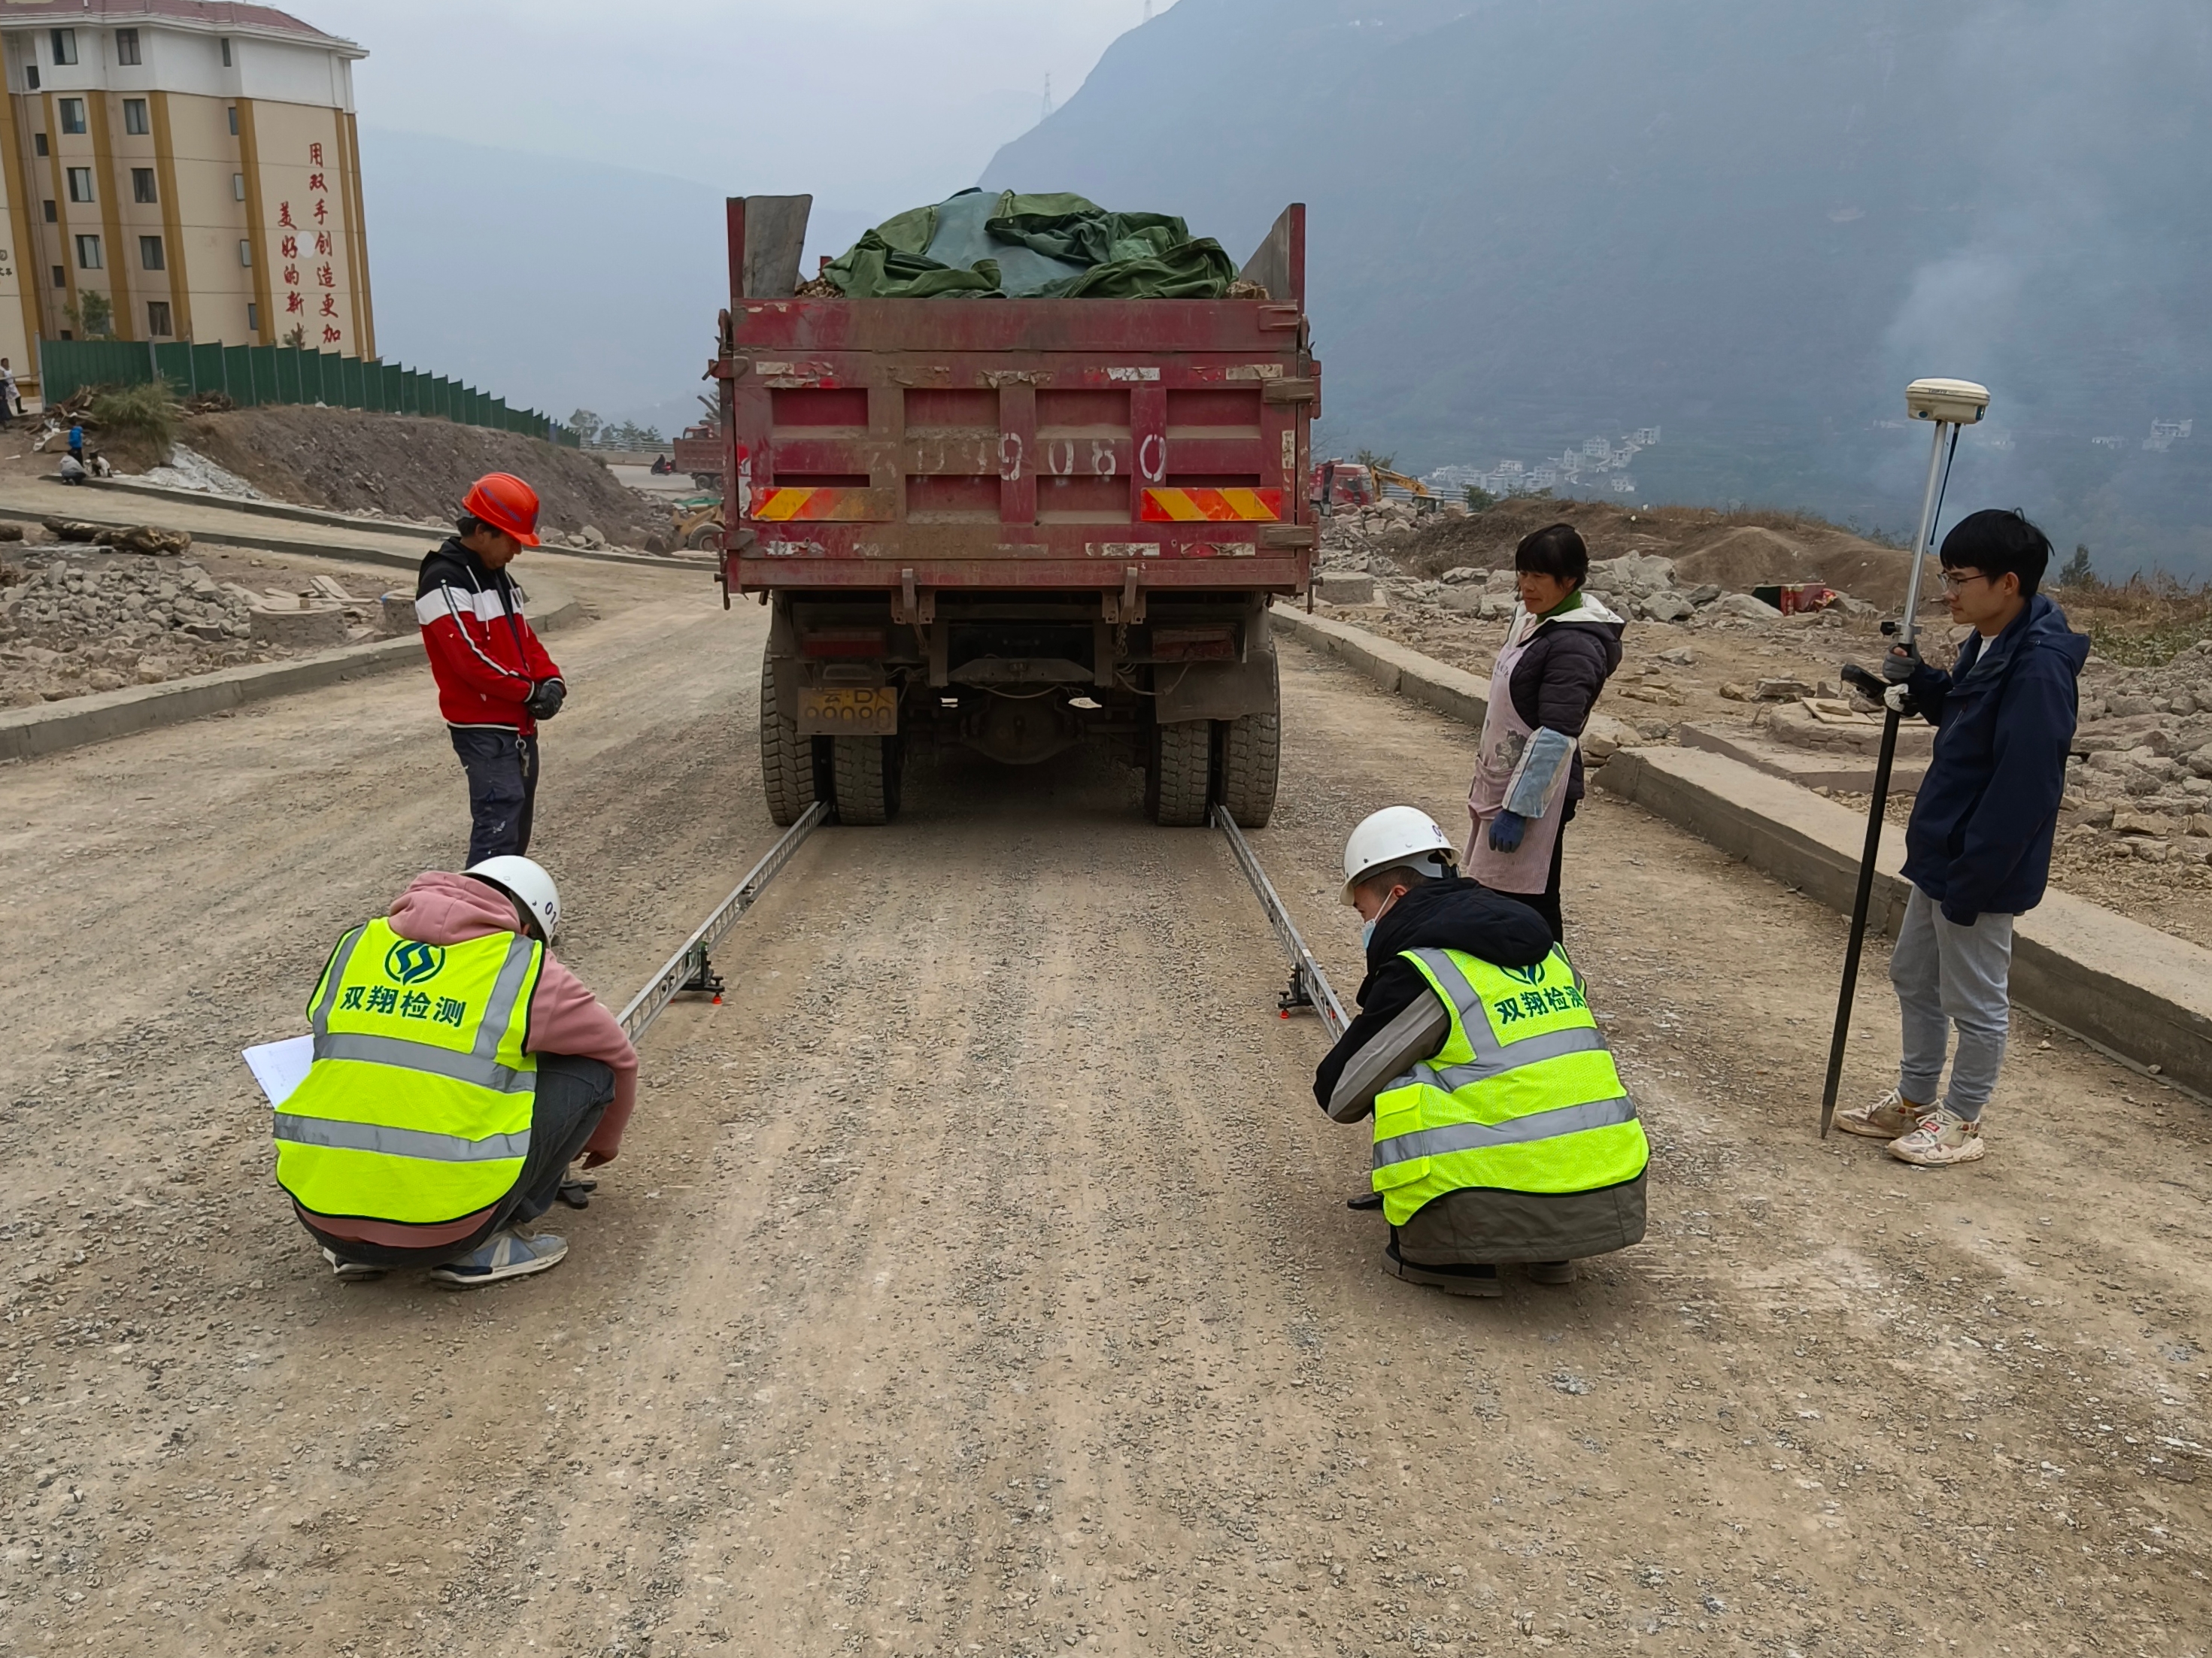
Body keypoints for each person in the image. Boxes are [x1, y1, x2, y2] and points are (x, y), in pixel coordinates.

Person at [1837, 509, 2087, 1167]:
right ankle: (1915, 1099)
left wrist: (1977, 872)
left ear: (2008, 583)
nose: (1947, 590)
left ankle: (1962, 1120)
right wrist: (1921, 684)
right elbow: (1963, 711)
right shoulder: (1988, 641)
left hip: (1980, 863)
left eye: (1958, 577)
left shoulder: (2037, 668)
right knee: (1914, 974)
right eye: (1945, 575)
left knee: (1974, 997)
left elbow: (2026, 786)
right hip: (1943, 850)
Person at [1314, 806, 1650, 1295]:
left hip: (1483, 1212)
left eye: (1363, 910)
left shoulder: (1425, 971)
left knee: (1396, 1073)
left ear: (1397, 895)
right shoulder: (1548, 951)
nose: (1365, 924)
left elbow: (1340, 1093)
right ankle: (1552, 1250)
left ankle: (1455, 1253)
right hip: (1609, 1192)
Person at [274, 857, 639, 1287]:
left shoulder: (357, 944)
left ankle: (354, 1247)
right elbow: (617, 1056)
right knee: (589, 1071)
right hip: (449, 1233)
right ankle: (489, 1244)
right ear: (526, 929)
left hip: (319, 1217)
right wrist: (604, 1141)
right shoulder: (523, 964)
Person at [1463, 523, 1624, 942]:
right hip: (1503, 781)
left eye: (1538, 577)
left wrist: (1518, 809)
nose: (1527, 586)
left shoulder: (1575, 644)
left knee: (1533, 901)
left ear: (1569, 581)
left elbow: (1556, 733)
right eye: (1523, 574)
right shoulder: (1536, 620)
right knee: (1501, 896)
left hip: (1537, 798)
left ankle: (1556, 988)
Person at [417, 474, 566, 865]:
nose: (517, 551)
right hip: (483, 729)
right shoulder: (444, 581)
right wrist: (530, 692)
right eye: (512, 540)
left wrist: (550, 678)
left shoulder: (497, 576)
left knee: (514, 831)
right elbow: (470, 660)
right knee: (496, 830)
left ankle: (502, 914)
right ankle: (477, 919)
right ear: (482, 531)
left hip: (516, 725)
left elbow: (524, 639)